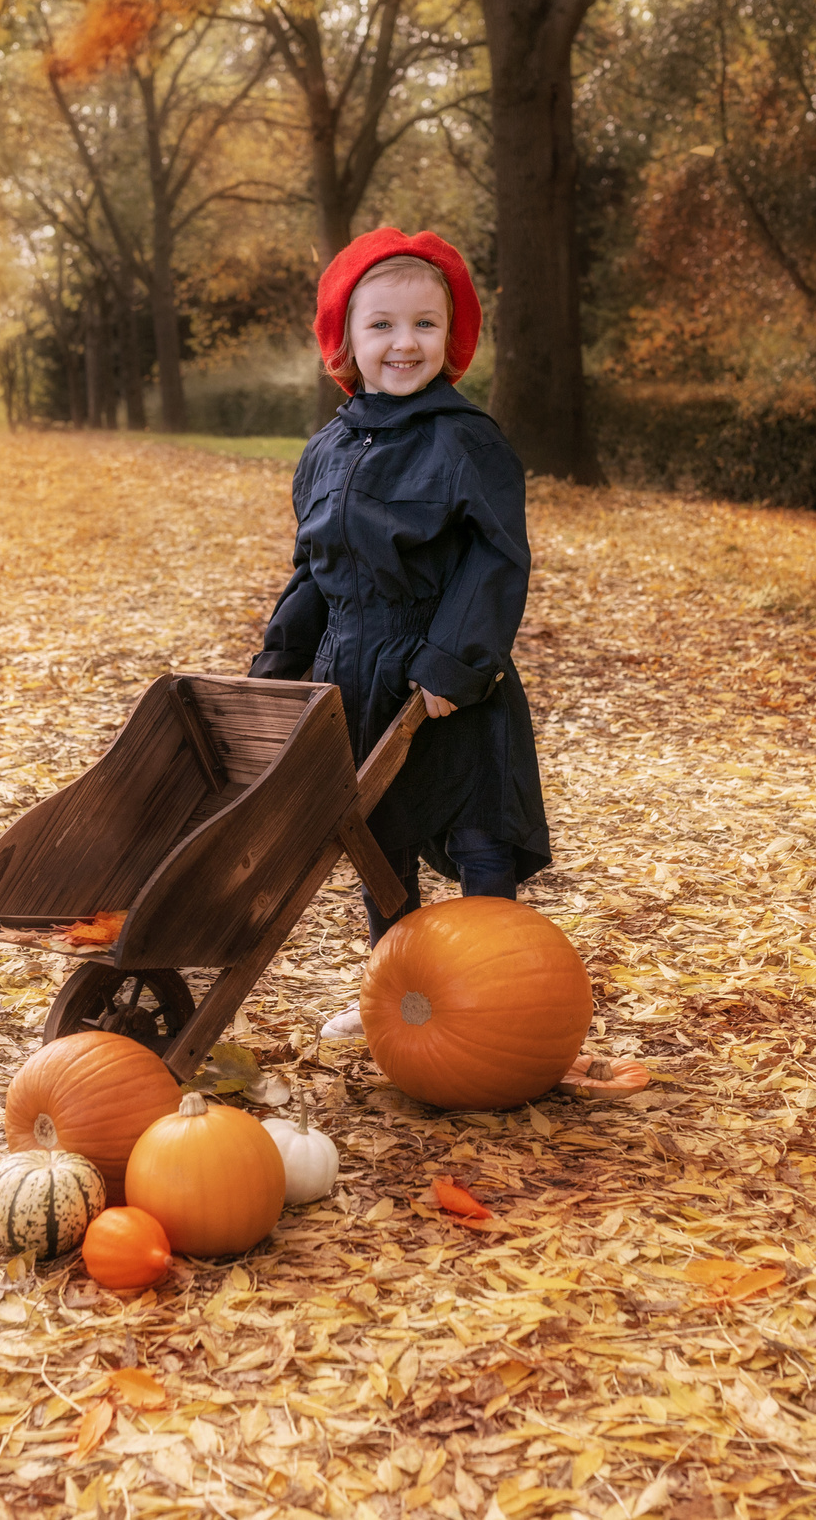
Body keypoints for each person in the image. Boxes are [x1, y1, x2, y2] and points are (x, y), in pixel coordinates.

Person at [248, 229, 552, 1038]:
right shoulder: (328, 450)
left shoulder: (466, 441)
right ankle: (398, 995)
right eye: (381, 325)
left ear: (449, 337)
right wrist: (278, 666)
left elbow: (495, 559)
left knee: (477, 832)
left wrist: (453, 663)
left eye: (423, 324)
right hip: (354, 671)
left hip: (445, 677)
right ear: (344, 339)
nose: (403, 342)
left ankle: (496, 1005)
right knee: (378, 842)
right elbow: (314, 570)